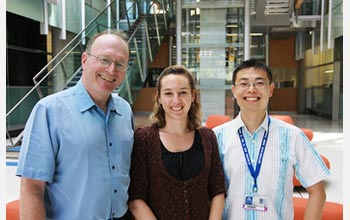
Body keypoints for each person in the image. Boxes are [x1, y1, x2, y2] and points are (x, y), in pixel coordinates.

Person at [16, 29, 135, 220]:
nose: (112, 70)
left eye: (120, 64)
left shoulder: (124, 111)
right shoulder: (49, 110)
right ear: (85, 60)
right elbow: (32, 187)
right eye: (104, 60)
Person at [213, 59, 331, 220]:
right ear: (234, 91)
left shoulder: (292, 136)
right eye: (244, 84)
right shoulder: (216, 137)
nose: (252, 90)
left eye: (259, 83)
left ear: (271, 89)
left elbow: (317, 192)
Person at [128, 65, 226, 220]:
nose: (176, 100)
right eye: (168, 93)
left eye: (183, 92)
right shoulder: (144, 138)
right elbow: (135, 198)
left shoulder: (208, 137)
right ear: (159, 98)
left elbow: (218, 191)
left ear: (193, 96)